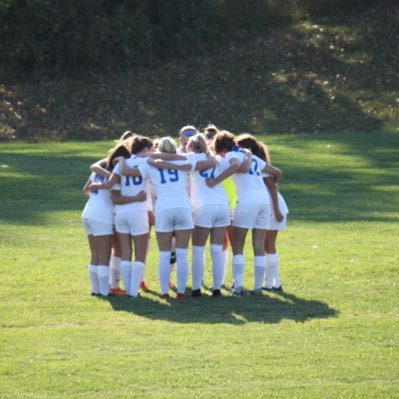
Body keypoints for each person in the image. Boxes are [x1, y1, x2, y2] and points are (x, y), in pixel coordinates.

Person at [118, 136, 216, 299]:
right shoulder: (183, 159)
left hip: (163, 208)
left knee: (164, 254)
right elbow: (209, 162)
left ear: (159, 150)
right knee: (182, 253)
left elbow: (126, 172)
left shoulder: (150, 163)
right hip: (183, 207)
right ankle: (181, 292)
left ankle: (164, 292)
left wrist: (121, 160)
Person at [207, 131, 282, 295]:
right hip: (264, 201)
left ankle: (239, 287)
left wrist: (215, 181)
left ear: (220, 148)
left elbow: (235, 166)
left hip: (247, 201)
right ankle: (257, 288)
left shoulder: (230, 155)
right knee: (258, 246)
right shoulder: (250, 155)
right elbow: (277, 172)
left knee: (238, 247)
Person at [89, 136, 153, 298]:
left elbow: (112, 188)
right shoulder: (145, 163)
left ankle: (117, 287)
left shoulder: (118, 165)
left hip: (121, 213)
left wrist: (99, 185)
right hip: (138, 212)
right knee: (139, 254)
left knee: (125, 253)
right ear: (145, 150)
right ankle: (133, 292)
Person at [184, 133, 240, 297]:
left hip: (203, 206)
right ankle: (217, 288)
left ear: (190, 146)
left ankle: (196, 288)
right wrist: (217, 180)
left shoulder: (191, 157)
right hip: (222, 205)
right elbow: (236, 164)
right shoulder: (217, 159)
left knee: (198, 250)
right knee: (216, 249)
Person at [81, 143, 132, 297]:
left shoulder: (98, 171)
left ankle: (96, 290)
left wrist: (98, 198)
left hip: (88, 211)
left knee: (95, 254)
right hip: (102, 216)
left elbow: (85, 190)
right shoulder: (115, 174)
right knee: (104, 256)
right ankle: (104, 291)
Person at [259, 142, 289, 292]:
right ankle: (274, 283)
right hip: (270, 206)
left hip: (272, 207)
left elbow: (272, 188)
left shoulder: (261, 169)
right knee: (267, 246)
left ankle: (270, 282)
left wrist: (276, 210)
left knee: (268, 245)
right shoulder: (261, 167)